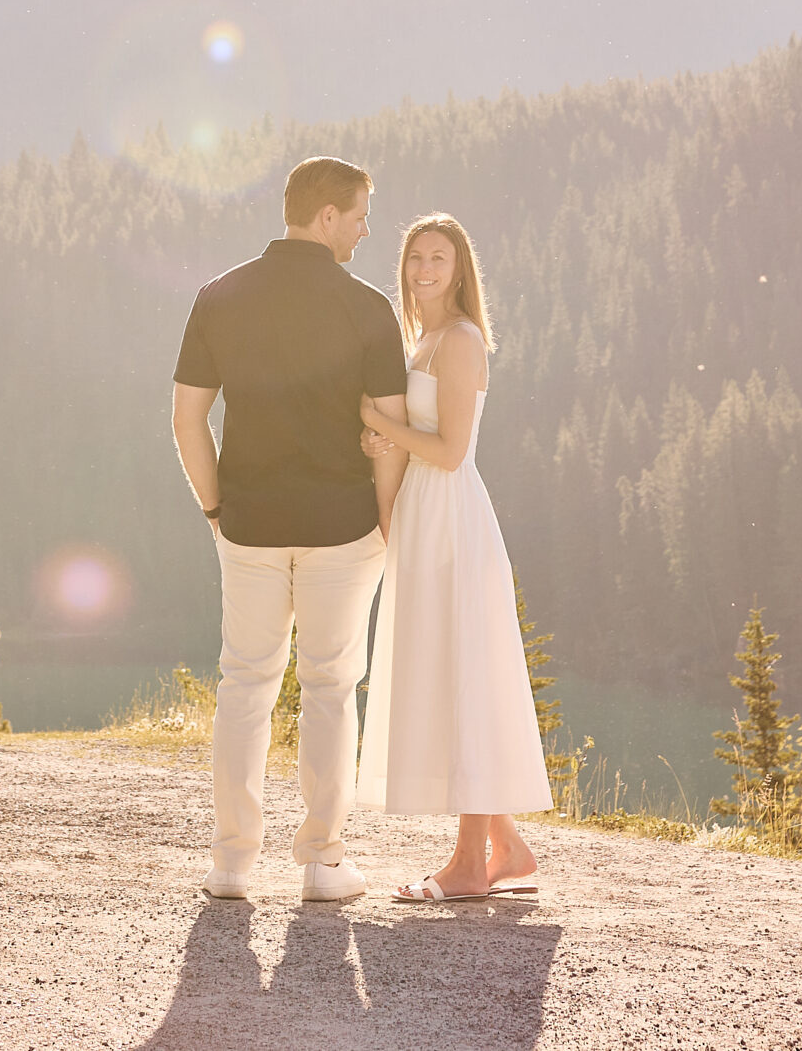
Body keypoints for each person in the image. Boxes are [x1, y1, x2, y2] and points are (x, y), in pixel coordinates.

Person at [171, 155, 409, 902]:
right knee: (331, 686)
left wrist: (217, 509)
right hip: (342, 525)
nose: (367, 230)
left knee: (245, 683)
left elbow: (187, 419)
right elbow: (392, 430)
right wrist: (385, 521)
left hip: (249, 523)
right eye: (361, 214)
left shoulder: (221, 294)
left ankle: (232, 865)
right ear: (327, 215)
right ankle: (321, 862)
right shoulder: (368, 307)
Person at [355, 212, 551, 902]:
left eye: (437, 257)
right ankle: (510, 848)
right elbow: (417, 436)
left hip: (452, 519)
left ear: (460, 268)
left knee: (465, 676)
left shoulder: (461, 340)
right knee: (445, 672)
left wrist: (378, 423)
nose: (424, 270)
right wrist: (388, 441)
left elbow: (450, 450)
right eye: (414, 258)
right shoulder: (424, 340)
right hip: (424, 517)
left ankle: (471, 865)